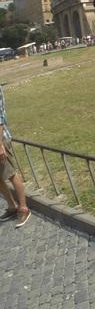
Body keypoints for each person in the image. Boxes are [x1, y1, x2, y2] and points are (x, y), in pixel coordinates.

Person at [0, 85, 31, 228]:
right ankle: (13, 207)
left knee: (11, 173)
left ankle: (23, 208)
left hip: (1, 140)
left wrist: (0, 144)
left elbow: (0, 119)